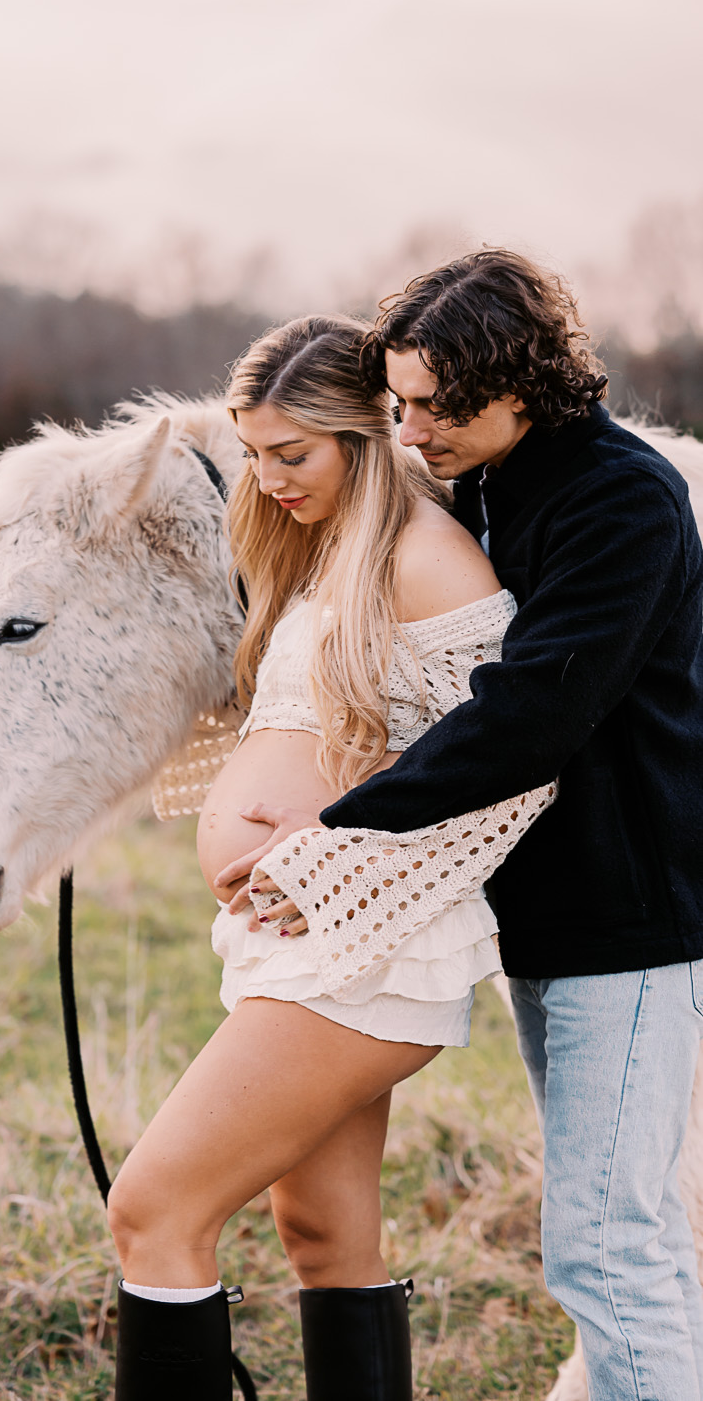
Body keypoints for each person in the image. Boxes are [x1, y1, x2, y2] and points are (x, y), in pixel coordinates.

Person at [219, 251, 703, 1399]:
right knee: (605, 1230)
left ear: (526, 384)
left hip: (629, 923)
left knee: (609, 1243)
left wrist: (336, 838)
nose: (413, 429)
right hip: (543, 912)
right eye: (401, 403)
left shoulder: (623, 500)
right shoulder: (478, 485)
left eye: (439, 406)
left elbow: (531, 716)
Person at [105, 312, 550, 1396]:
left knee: (154, 1211)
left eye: (291, 454)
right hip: (310, 942)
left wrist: (326, 864)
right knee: (322, 1238)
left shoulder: (426, 559)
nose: (269, 478)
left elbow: (515, 768)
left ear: (366, 433)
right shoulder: (324, 549)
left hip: (364, 946)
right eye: (252, 454)